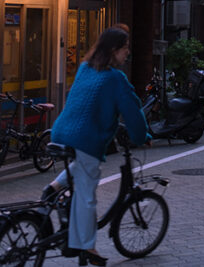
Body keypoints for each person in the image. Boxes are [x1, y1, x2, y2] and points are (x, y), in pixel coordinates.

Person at [42, 27, 148, 266]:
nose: (128, 53)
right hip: (85, 139)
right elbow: (133, 113)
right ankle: (87, 247)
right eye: (125, 48)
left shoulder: (84, 68)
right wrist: (142, 136)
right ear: (114, 50)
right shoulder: (115, 79)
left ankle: (53, 187)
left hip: (60, 132)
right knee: (86, 195)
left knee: (78, 166)